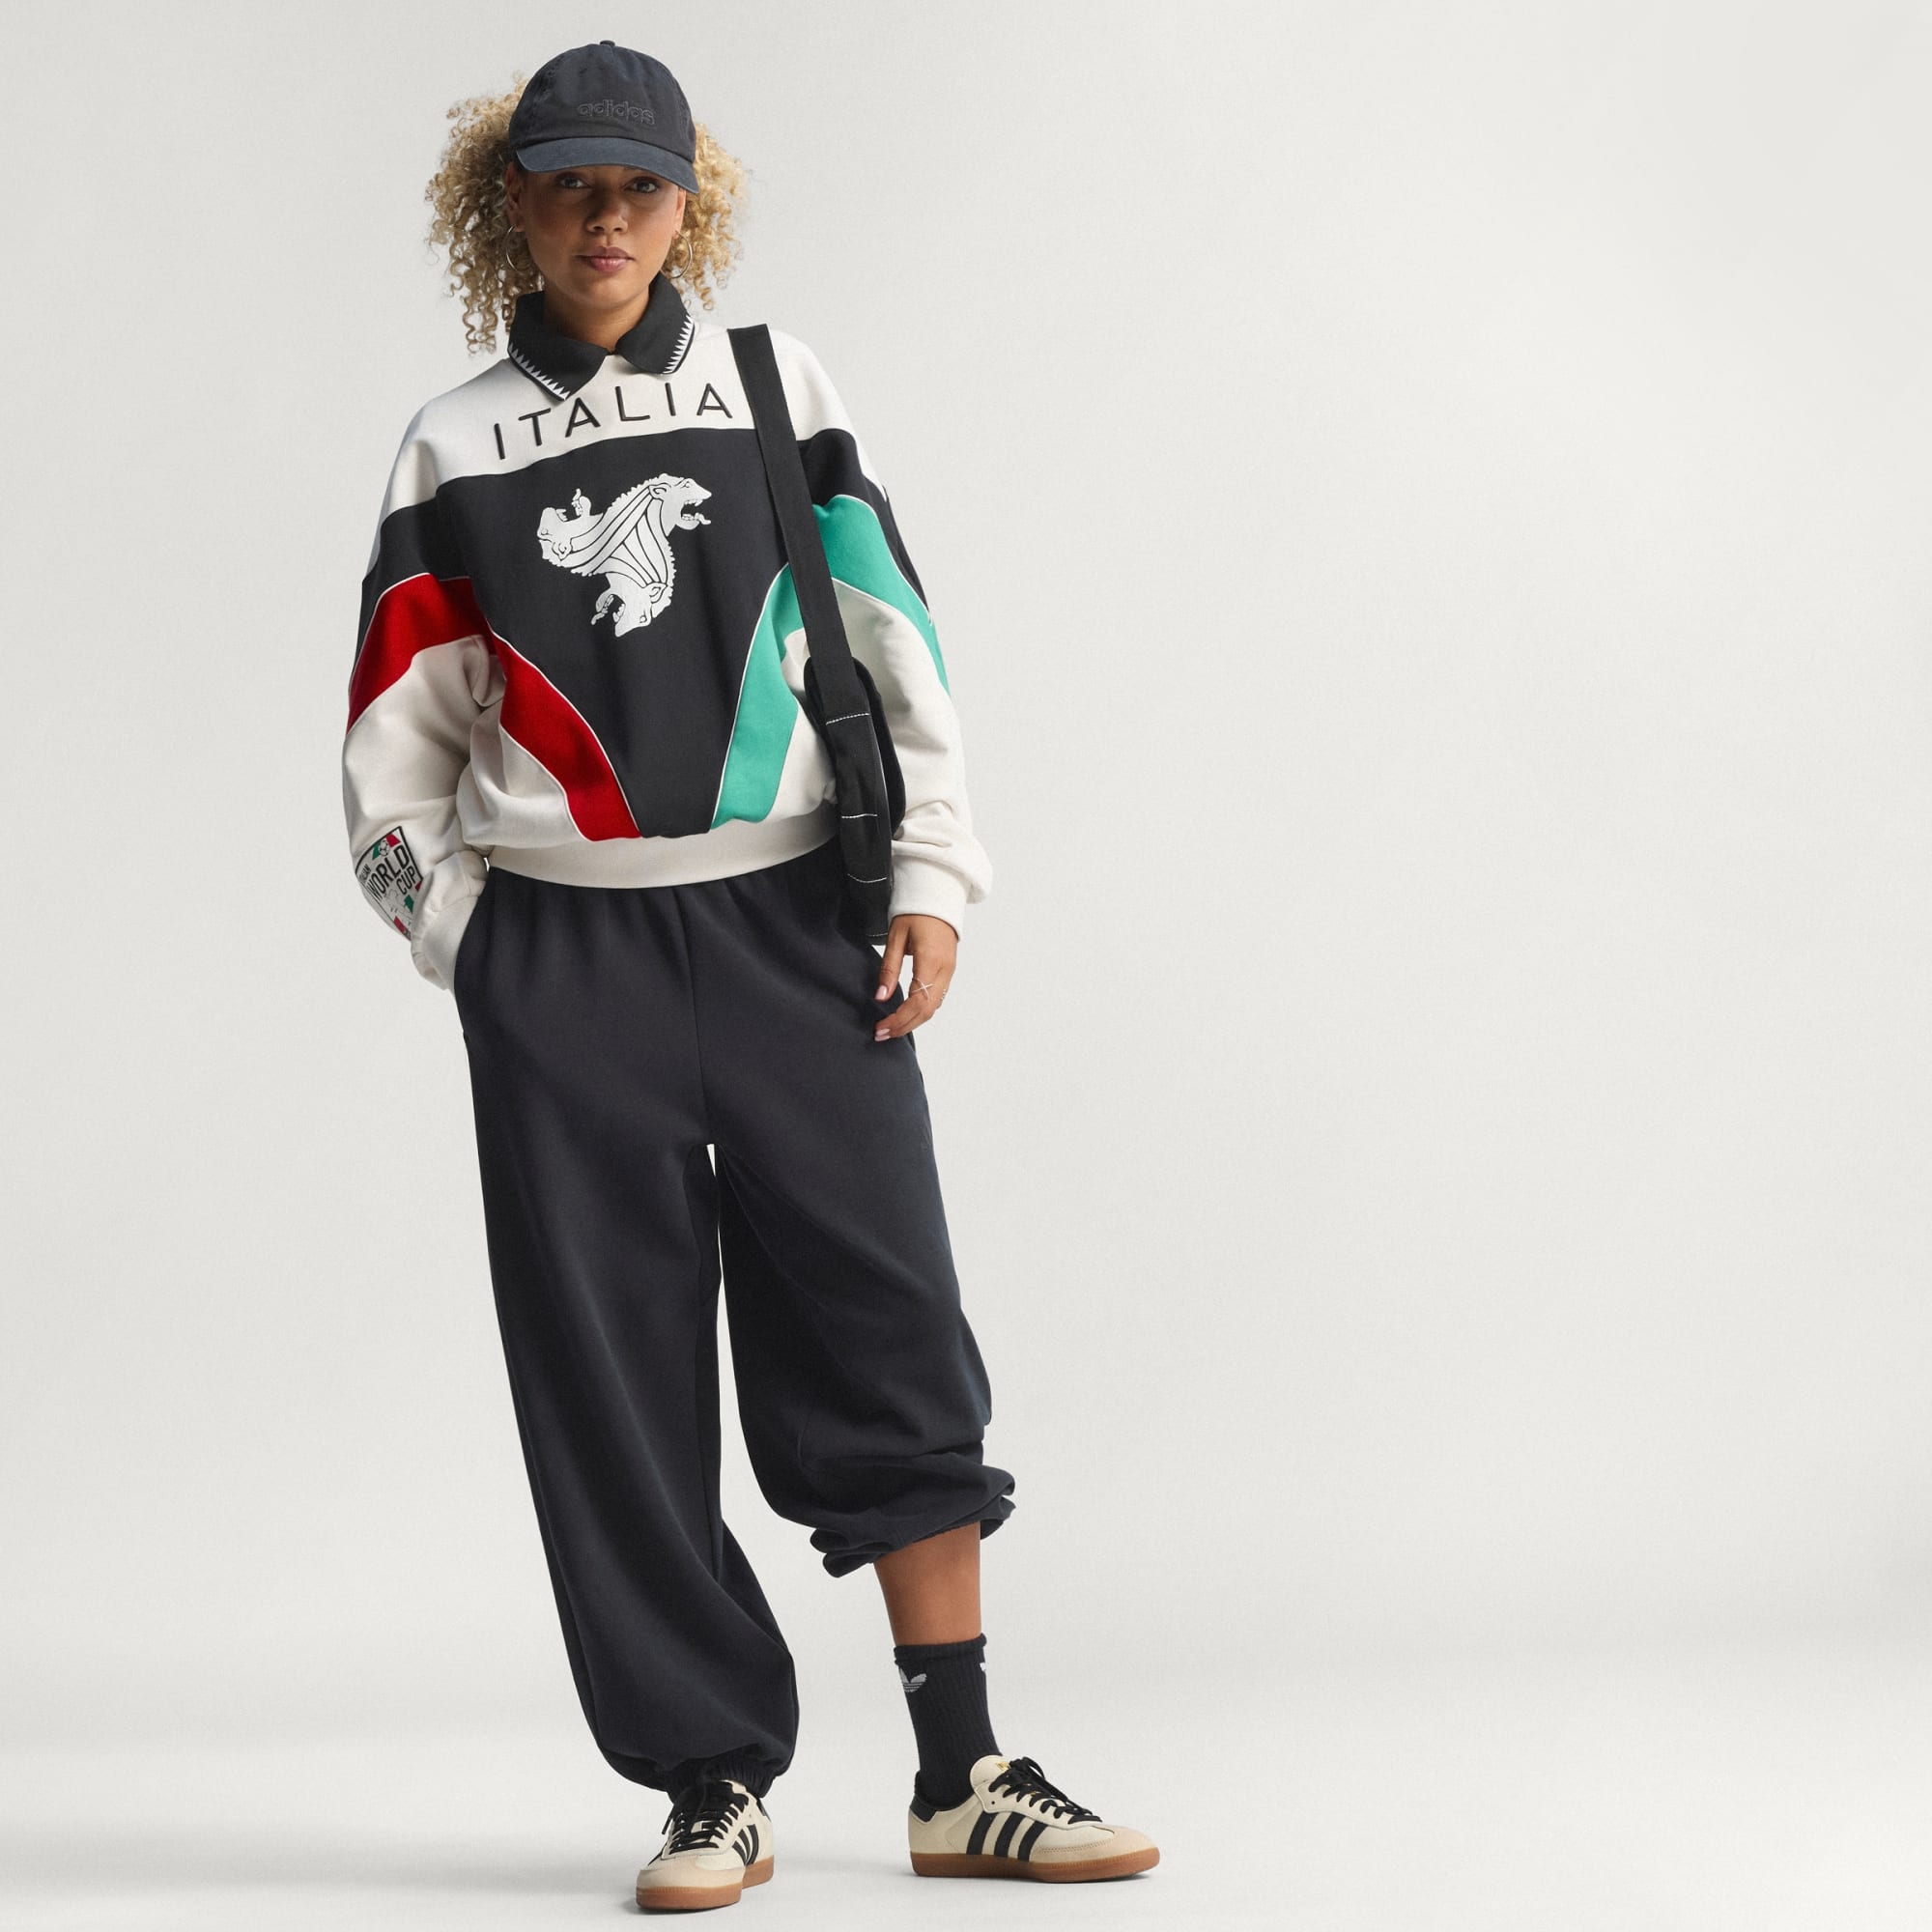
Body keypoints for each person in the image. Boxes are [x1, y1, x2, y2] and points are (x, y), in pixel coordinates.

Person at [342, 40, 1158, 1914]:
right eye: (569, 183)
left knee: (888, 1315)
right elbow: (395, 739)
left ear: (686, 198)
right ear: (511, 202)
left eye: (638, 184)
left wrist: (933, 870)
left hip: (797, 924)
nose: (605, 218)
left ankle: (962, 1772)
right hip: (565, 961)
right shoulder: (449, 445)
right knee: (611, 1376)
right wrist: (473, 943)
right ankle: (710, 1782)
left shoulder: (777, 387)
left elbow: (889, 631)